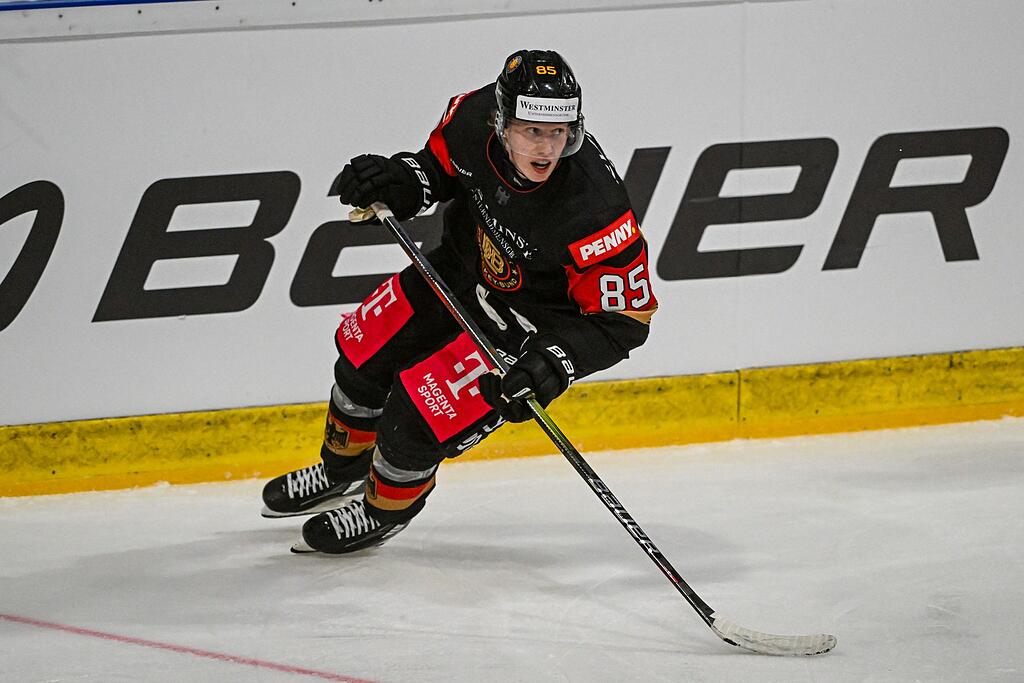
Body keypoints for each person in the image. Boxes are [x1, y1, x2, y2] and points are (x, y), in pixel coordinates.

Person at [261, 49, 658, 554]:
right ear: (501, 121)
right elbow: (437, 171)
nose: (546, 149)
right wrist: (399, 180)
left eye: (558, 133)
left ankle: (382, 511)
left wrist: (552, 364)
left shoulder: (596, 210)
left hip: (525, 324)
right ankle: (343, 469)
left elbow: (624, 320)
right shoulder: (473, 116)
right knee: (362, 359)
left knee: (413, 420)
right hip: (457, 270)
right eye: (532, 131)